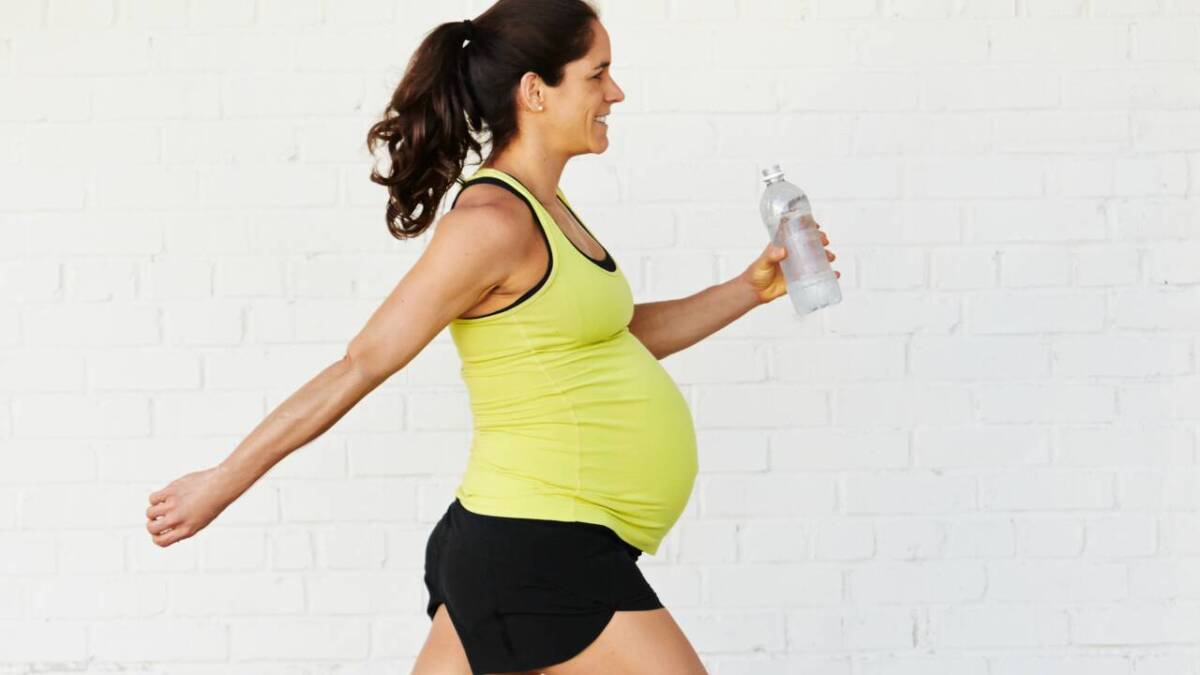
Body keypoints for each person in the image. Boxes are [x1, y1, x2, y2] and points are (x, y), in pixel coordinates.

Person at [143, 1, 838, 673]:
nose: (616, 92)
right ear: (537, 91)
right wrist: (221, 481)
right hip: (535, 548)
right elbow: (362, 362)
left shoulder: (548, 206)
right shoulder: (490, 224)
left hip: (535, 543)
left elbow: (609, 339)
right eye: (597, 74)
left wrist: (750, 288)